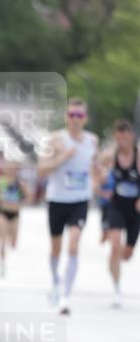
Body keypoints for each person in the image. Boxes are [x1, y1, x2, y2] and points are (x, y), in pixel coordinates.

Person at [38, 97, 98, 315]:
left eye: (79, 115)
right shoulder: (55, 139)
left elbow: (93, 166)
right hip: (57, 200)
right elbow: (42, 170)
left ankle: (65, 297)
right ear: (66, 117)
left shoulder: (93, 140)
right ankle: (55, 281)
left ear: (86, 118)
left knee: (73, 245)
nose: (75, 119)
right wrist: (63, 156)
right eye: (71, 115)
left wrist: (98, 176)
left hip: (80, 200)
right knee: (56, 247)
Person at [104, 119, 140, 308]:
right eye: (118, 139)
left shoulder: (138, 156)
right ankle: (117, 289)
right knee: (115, 246)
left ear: (131, 138)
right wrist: (101, 189)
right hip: (116, 206)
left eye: (125, 139)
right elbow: (95, 170)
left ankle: (125, 253)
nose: (122, 143)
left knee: (127, 253)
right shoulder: (111, 155)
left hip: (135, 210)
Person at [0, 161, 27, 278]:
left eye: (12, 168)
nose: (10, 170)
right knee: (2, 241)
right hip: (2, 212)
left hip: (15, 213)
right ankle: (2, 264)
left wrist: (21, 203)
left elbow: (29, 196)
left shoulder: (19, 183)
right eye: (7, 167)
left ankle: (8, 243)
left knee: (13, 243)